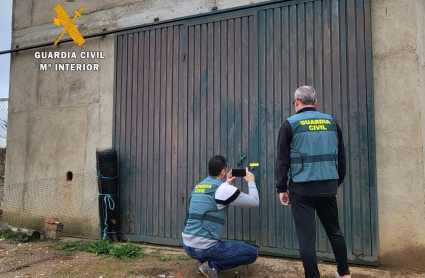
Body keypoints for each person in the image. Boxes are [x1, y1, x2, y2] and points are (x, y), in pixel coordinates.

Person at [275, 86, 351, 278]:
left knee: (307, 239)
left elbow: (282, 160)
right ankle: (344, 273)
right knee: (335, 232)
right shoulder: (331, 122)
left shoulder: (290, 124)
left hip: (301, 190)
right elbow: (341, 156)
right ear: (315, 102)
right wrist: (337, 181)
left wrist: (281, 188)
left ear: (296, 101)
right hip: (327, 186)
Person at [182, 155, 259, 278]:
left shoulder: (199, 186)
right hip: (204, 248)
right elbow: (254, 202)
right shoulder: (224, 189)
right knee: (252, 254)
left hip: (187, 245)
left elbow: (217, 194)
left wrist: (226, 182)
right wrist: (251, 182)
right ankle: (211, 265)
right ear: (223, 171)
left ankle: (204, 262)